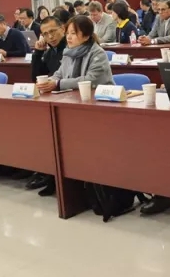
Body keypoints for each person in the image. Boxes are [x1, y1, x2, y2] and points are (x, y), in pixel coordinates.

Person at [35, 16, 114, 195]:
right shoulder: (68, 52)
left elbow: (91, 80)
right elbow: (59, 73)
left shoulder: (97, 53)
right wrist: (49, 81)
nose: (68, 37)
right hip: (74, 104)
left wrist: (58, 84)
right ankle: (57, 178)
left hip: (99, 107)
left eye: (73, 33)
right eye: (68, 33)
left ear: (85, 35)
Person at [27, 15, 68, 194]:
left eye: (53, 31)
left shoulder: (70, 48)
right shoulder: (50, 51)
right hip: (54, 98)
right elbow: (36, 77)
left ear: (63, 29)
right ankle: (48, 173)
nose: (50, 36)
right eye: (45, 34)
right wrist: (38, 53)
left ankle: (54, 177)